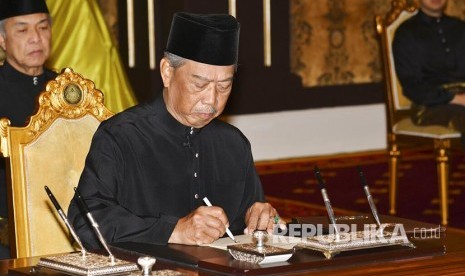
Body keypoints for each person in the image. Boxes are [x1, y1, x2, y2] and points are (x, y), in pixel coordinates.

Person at [68, 12, 285, 248]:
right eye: (199, 85)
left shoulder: (233, 144)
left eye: (224, 86)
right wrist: (172, 231)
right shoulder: (121, 136)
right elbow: (84, 222)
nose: (211, 100)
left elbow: (249, 221)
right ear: (167, 72)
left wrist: (258, 215)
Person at [0, 0, 56, 258]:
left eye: (43, 27)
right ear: (2, 40)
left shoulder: (67, 89)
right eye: (22, 30)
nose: (36, 38)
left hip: (62, 232)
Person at [392, 0, 465, 133]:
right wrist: (457, 99)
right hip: (429, 105)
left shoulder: (460, 27)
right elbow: (412, 85)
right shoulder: (406, 33)